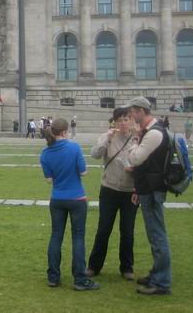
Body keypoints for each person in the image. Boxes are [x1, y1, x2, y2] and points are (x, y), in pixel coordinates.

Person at [40, 118, 99, 291]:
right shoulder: (74, 147)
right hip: (76, 198)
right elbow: (84, 172)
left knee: (56, 236)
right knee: (78, 237)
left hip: (57, 199)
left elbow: (49, 180)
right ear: (65, 132)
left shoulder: (45, 153)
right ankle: (79, 279)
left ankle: (53, 276)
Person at [124, 96, 172, 295]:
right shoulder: (153, 130)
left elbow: (135, 158)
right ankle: (156, 273)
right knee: (154, 235)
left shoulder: (153, 134)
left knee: (157, 236)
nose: (130, 116)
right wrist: (138, 189)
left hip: (153, 190)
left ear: (142, 111)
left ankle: (161, 283)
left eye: (133, 112)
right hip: (147, 188)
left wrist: (135, 138)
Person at [87, 107, 139, 281]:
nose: (123, 123)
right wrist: (106, 141)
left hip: (130, 191)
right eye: (120, 120)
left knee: (127, 231)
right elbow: (94, 154)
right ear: (114, 122)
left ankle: (127, 267)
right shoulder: (107, 136)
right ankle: (94, 265)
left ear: (131, 121)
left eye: (126, 119)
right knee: (103, 229)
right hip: (109, 189)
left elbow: (144, 163)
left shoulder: (138, 138)